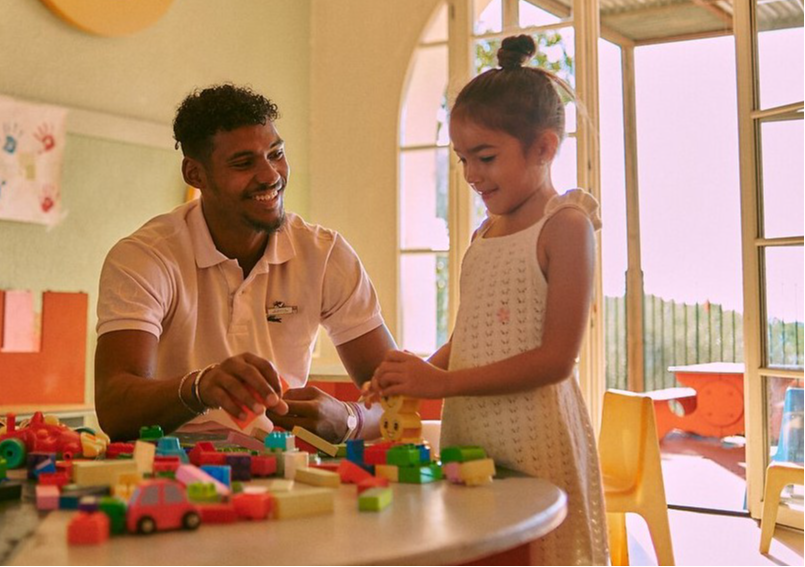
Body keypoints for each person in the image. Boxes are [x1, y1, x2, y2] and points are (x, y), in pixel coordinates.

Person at [367, 36, 608, 565]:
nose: (472, 174)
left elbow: (556, 359)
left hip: (535, 441)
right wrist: (413, 373)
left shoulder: (565, 227)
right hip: (471, 436)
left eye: (486, 157)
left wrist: (444, 384)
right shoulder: (483, 236)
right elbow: (470, 337)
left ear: (544, 148)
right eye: (462, 159)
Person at [94, 84, 396, 443]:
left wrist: (350, 419)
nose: (270, 175)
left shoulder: (325, 254)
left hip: (283, 473)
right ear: (195, 175)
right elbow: (114, 409)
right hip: (167, 477)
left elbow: (397, 401)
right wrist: (199, 388)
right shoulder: (145, 257)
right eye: (243, 163)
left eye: (276, 153)